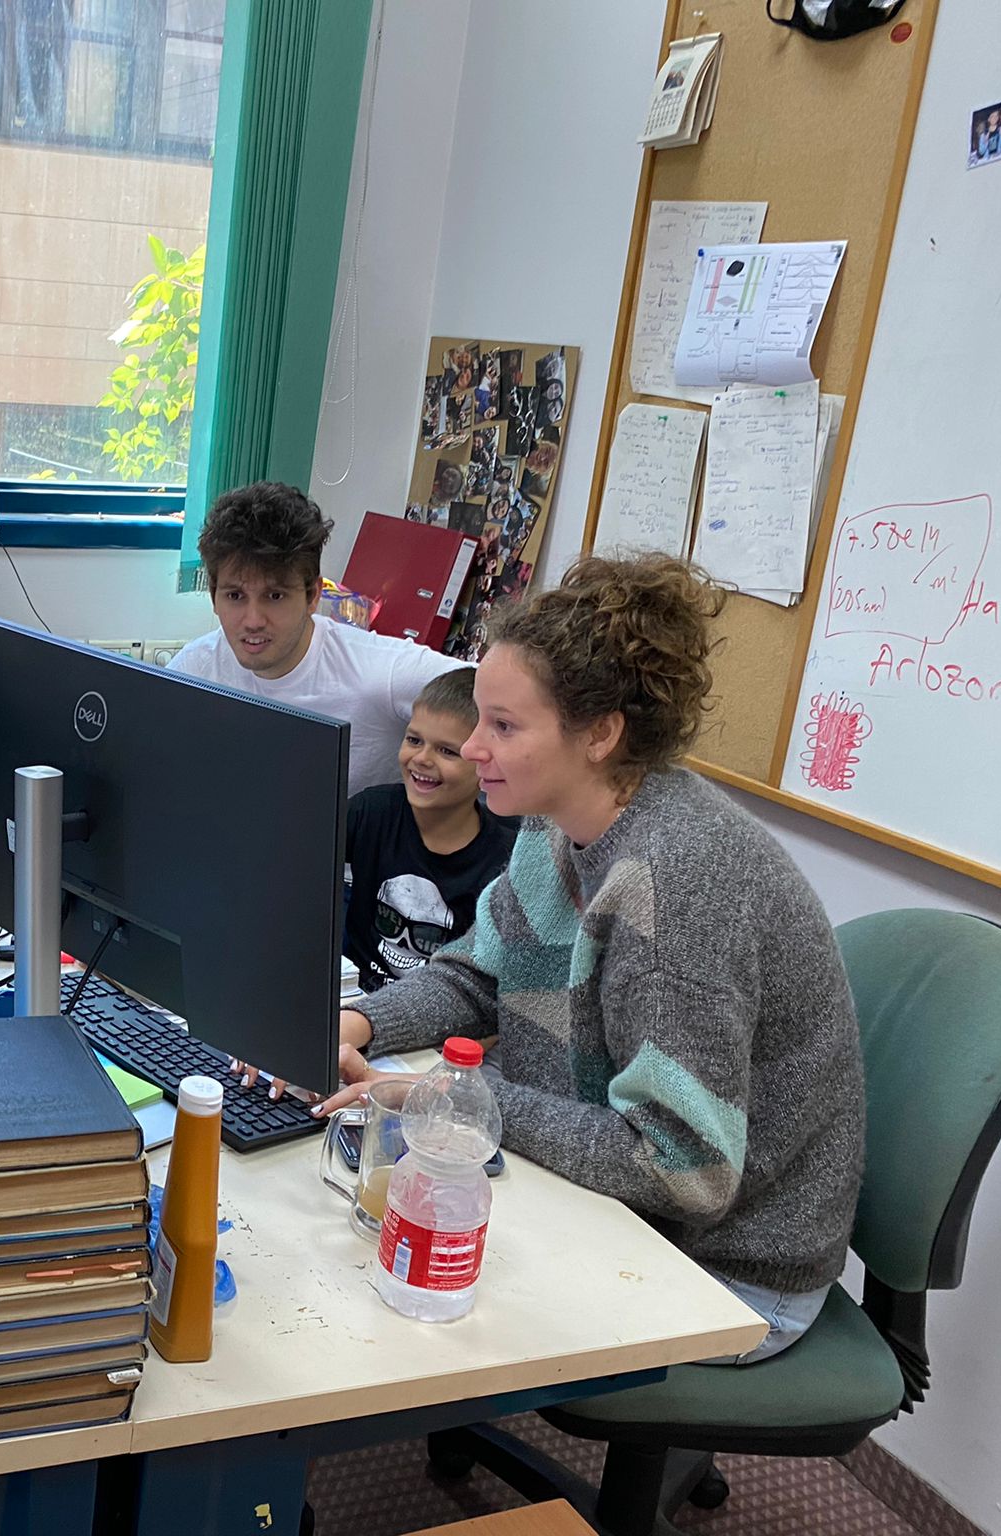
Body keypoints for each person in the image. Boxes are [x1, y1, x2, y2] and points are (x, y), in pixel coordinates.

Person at [321, 554, 864, 1364]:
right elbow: (477, 973)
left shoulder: (679, 886)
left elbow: (684, 1168)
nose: (474, 747)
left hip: (725, 1274)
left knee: (385, 1310)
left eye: (504, 727)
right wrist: (355, 1021)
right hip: (616, 1208)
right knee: (368, 1243)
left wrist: (455, 1102)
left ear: (600, 734)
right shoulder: (557, 822)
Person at [170, 483, 463, 794]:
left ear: (312, 596)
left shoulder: (379, 673)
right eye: (235, 596)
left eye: (275, 595)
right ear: (214, 596)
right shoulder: (194, 670)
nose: (253, 621)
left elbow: (487, 688)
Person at [343, 667, 517, 994]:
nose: (421, 758)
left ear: (486, 764)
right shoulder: (371, 812)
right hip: (351, 1000)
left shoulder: (507, 860)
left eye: (447, 751)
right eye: (414, 740)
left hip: (444, 1016)